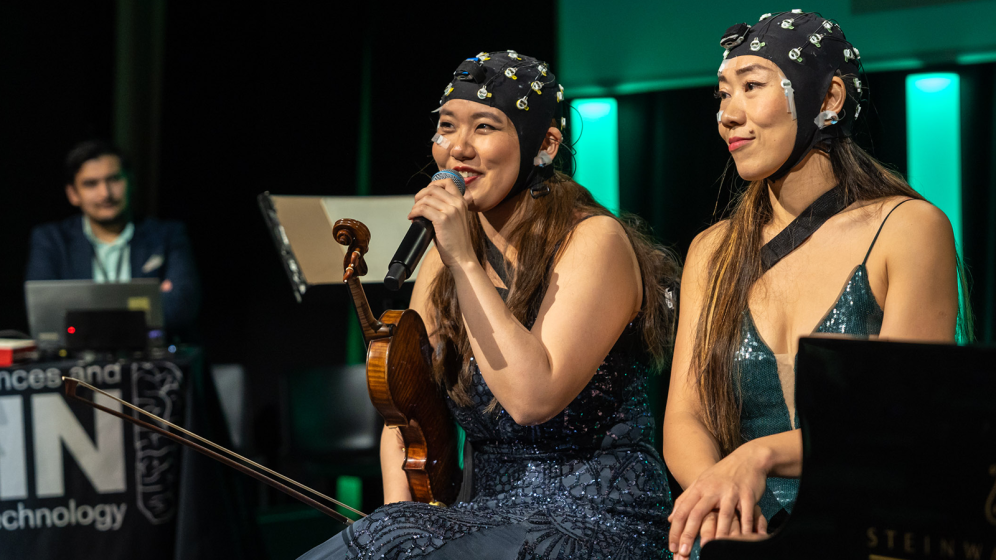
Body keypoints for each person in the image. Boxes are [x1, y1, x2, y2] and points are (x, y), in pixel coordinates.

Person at [301, 51, 680, 559]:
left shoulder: (594, 241)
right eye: (446, 127)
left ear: (544, 144)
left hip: (592, 517)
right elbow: (408, 412)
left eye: (484, 127)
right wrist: (398, 523)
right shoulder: (444, 259)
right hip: (479, 513)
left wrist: (463, 260)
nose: (458, 148)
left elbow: (531, 399)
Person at [661, 11, 970, 560]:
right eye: (721, 95)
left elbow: (900, 418)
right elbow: (687, 417)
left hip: (874, 528)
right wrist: (722, 496)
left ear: (827, 98)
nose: (727, 115)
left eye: (752, 88)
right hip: (742, 526)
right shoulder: (712, 250)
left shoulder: (907, 228)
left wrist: (756, 457)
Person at [25, 140, 200, 331]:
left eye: (114, 179)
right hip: (77, 357)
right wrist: (148, 303)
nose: (105, 193)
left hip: (152, 354)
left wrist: (86, 314)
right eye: (91, 184)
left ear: (131, 181)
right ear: (73, 194)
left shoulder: (168, 235)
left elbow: (180, 307)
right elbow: (44, 313)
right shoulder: (51, 240)